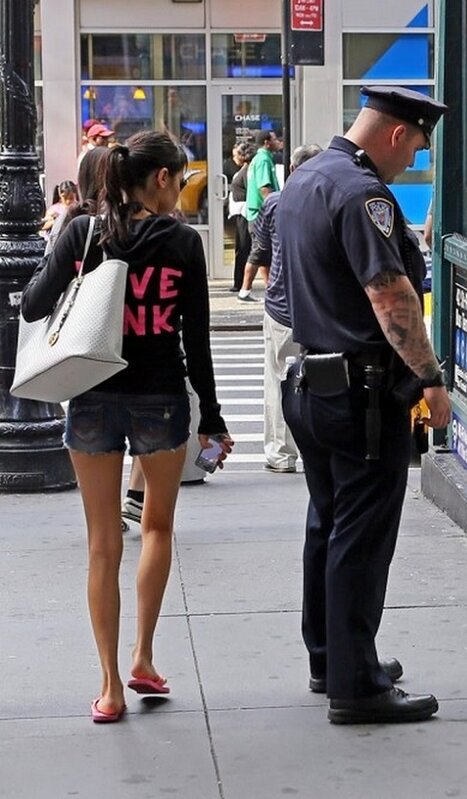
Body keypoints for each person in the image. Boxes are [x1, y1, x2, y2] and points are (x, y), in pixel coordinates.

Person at [21, 130, 232, 724]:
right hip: (161, 398)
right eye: (182, 179)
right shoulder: (183, 243)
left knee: (100, 546)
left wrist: (63, 262)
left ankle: (110, 687)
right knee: (158, 528)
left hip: (90, 396)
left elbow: (35, 305)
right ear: (160, 179)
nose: (182, 193)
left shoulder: (83, 232)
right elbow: (197, 338)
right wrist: (211, 417)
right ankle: (144, 656)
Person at [276, 86, 450, 725]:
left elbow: (283, 293)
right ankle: (357, 683)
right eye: (417, 148)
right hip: (362, 390)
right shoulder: (362, 193)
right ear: (398, 134)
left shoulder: (305, 180)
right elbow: (390, 294)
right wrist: (431, 378)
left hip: (311, 381)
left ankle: (332, 655)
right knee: (361, 532)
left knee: (328, 520)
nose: (412, 162)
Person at [248, 143, 324, 474]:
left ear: (291, 170)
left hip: (281, 308)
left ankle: (281, 453)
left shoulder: (274, 203)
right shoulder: (328, 201)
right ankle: (315, 451)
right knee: (319, 381)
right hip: (320, 308)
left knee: (278, 379)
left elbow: (261, 248)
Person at [241, 130, 282, 301]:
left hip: (255, 211)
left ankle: (269, 288)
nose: (277, 141)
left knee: (265, 253)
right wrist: (274, 207)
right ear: (266, 142)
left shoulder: (257, 159)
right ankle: (244, 291)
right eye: (274, 139)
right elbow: (265, 187)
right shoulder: (264, 159)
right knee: (258, 252)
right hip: (261, 213)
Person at [227, 142, 254, 294]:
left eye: (236, 154)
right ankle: (239, 282)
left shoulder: (248, 171)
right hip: (240, 213)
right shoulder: (243, 170)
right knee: (242, 248)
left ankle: (241, 283)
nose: (234, 158)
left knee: (244, 248)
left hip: (245, 213)